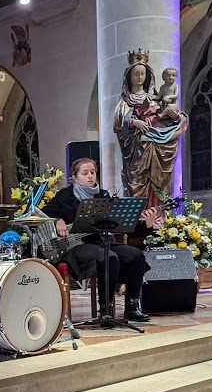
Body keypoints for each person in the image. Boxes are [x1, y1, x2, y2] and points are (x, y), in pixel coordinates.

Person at [42, 157, 162, 322]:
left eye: (93, 172)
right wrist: (58, 220)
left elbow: (119, 224)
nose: (90, 176)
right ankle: (105, 310)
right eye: (85, 173)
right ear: (75, 177)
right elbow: (43, 213)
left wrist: (146, 225)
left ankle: (132, 307)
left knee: (135, 255)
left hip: (99, 243)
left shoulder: (103, 195)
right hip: (75, 247)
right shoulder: (64, 196)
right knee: (109, 257)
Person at [114, 54, 188, 206]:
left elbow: (167, 119)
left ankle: (159, 216)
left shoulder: (155, 98)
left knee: (159, 182)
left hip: (158, 146)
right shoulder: (125, 102)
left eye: (143, 73)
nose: (140, 77)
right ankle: (138, 216)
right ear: (129, 76)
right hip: (136, 150)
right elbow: (119, 125)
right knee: (136, 179)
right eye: (136, 73)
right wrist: (135, 122)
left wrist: (175, 117)